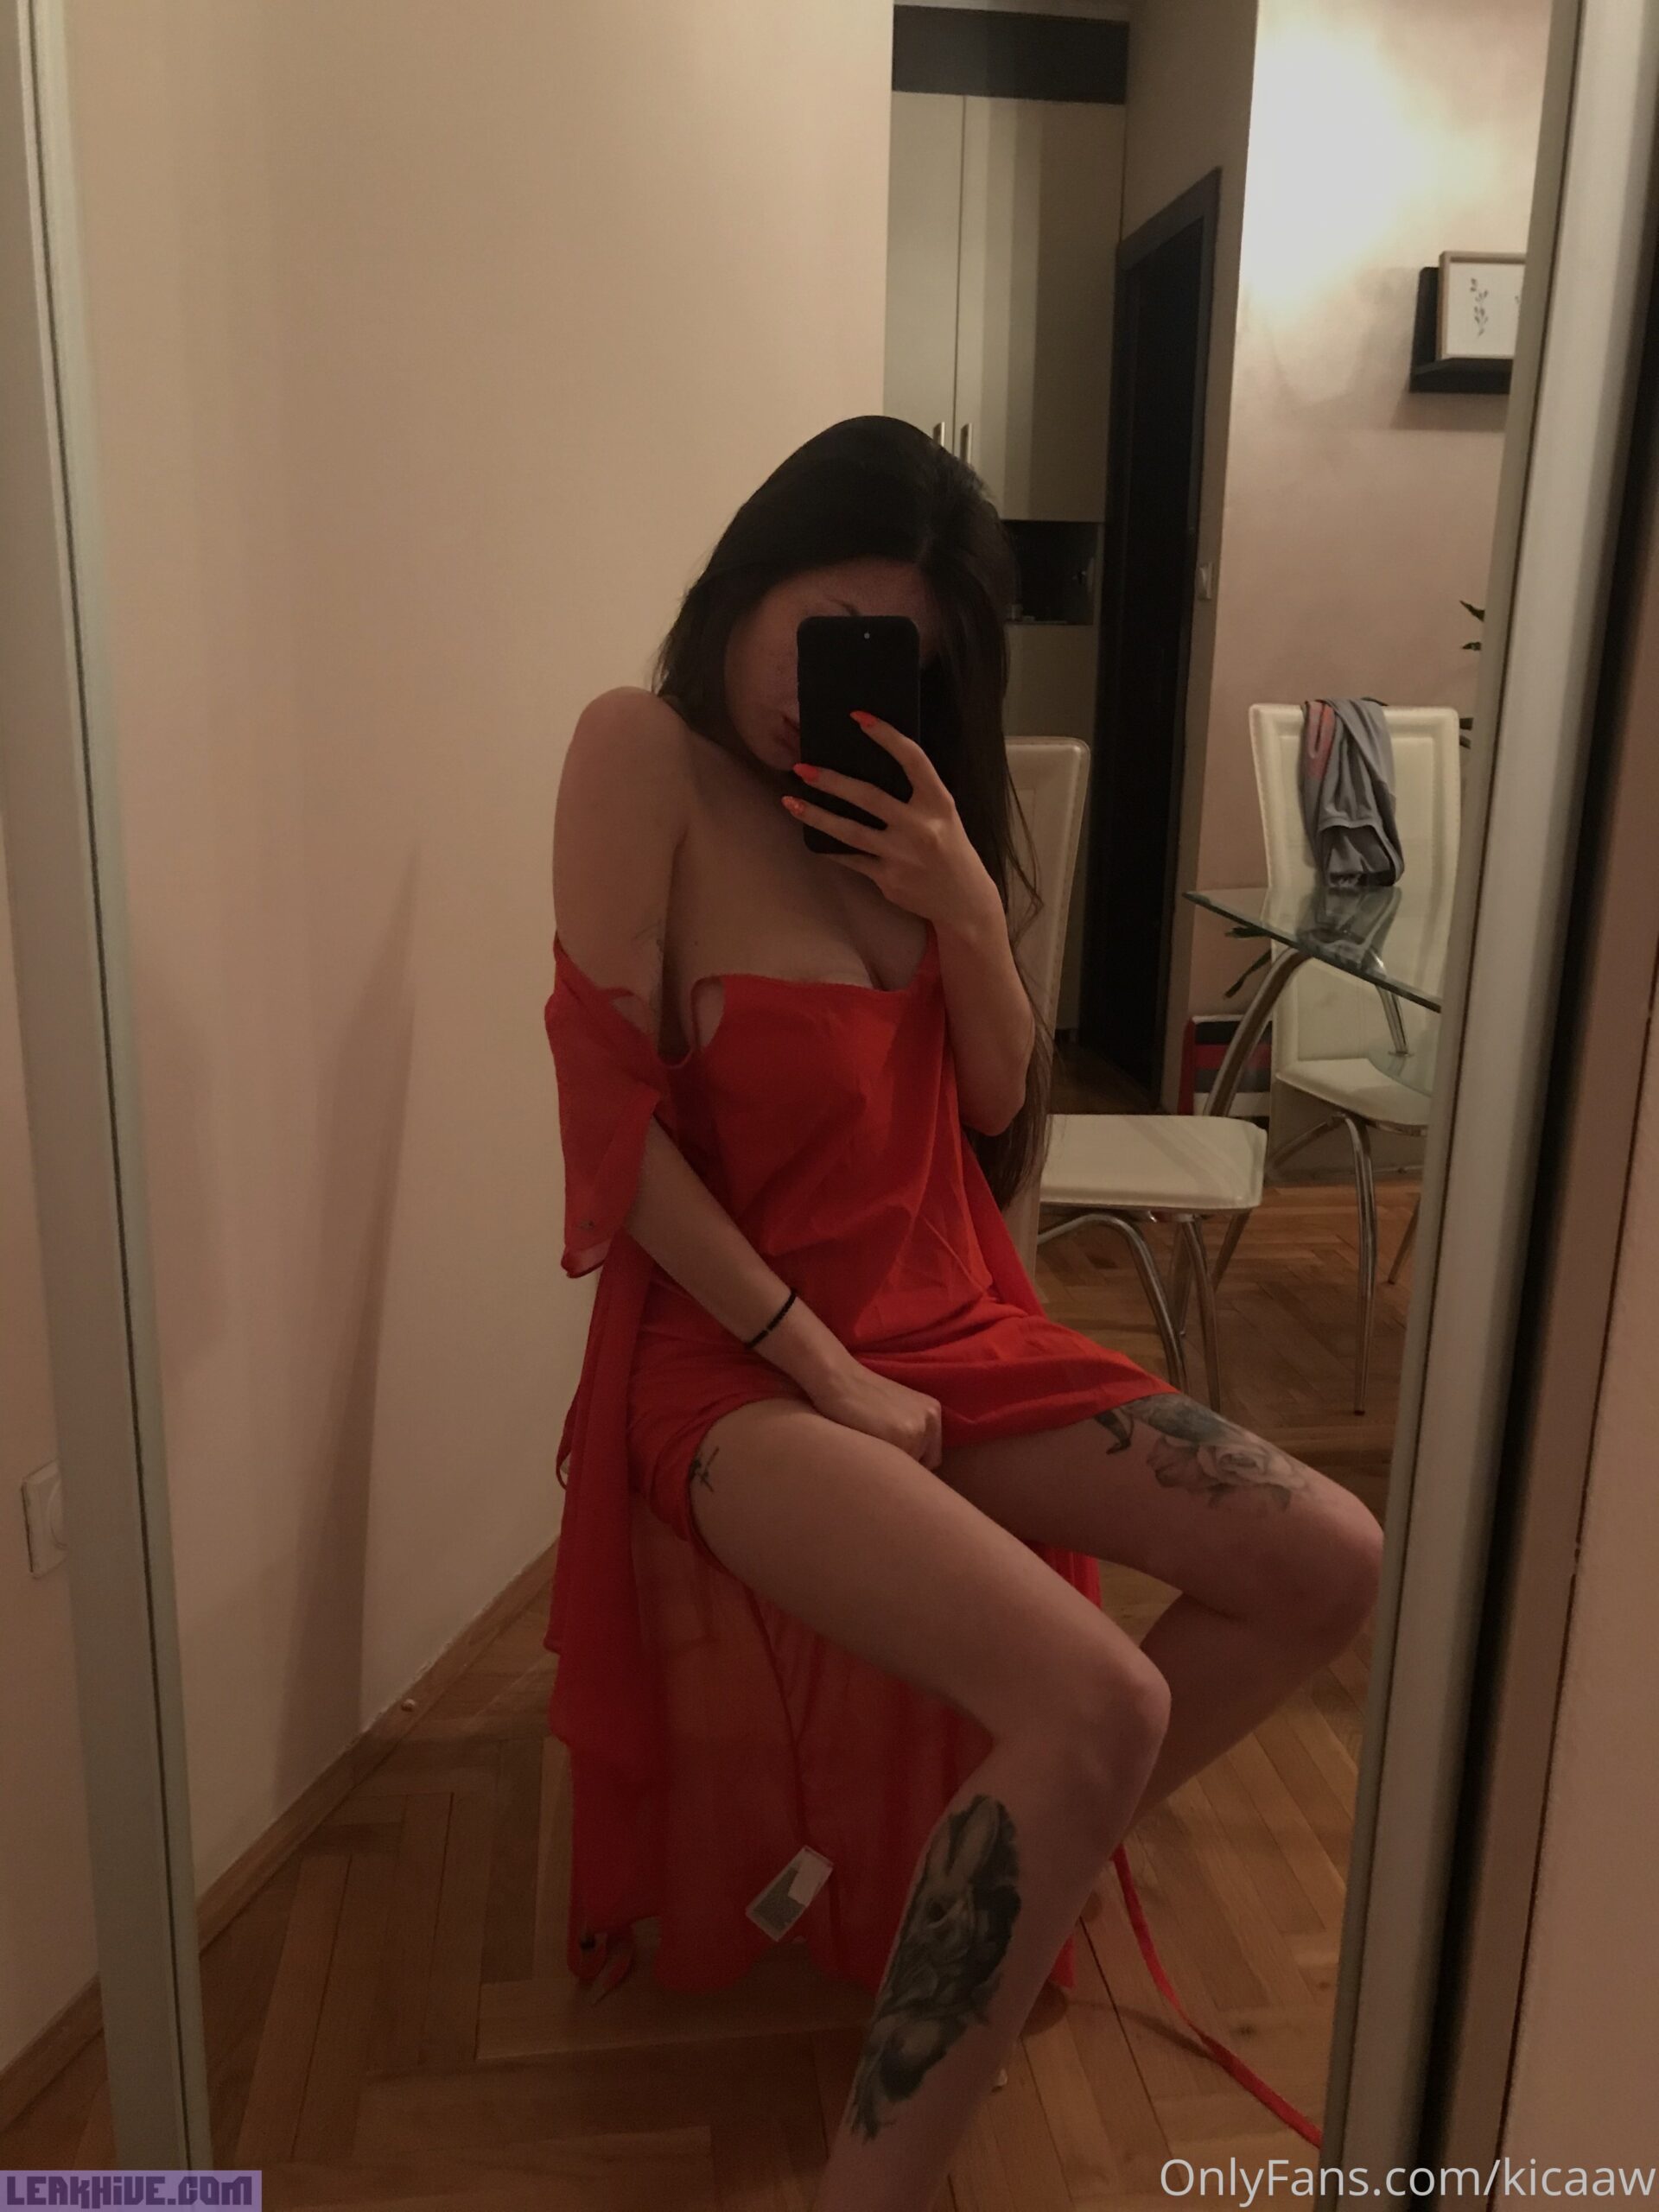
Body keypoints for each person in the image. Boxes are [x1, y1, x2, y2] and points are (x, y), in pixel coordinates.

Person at [544, 414, 1382, 2212]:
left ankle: (992, 1872)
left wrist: (969, 912)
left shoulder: (903, 821)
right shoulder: (643, 756)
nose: (823, 684)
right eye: (820, 622)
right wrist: (823, 1366)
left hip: (951, 1318)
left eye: (889, 650)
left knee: (1331, 1558)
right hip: (739, 1364)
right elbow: (613, 1133)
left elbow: (1000, 1104)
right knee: (1094, 1698)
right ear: (749, 578)